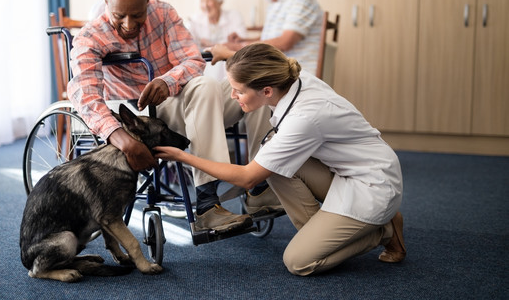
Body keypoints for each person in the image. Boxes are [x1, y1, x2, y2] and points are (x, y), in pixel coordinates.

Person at [155, 43, 406, 276]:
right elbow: (264, 65)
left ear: (266, 91)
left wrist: (183, 156)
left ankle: (382, 230)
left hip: (372, 184)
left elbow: (247, 177)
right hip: (348, 170)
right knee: (274, 164)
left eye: (238, 91)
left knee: (299, 262)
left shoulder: (304, 119)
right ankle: (330, 231)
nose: (232, 96)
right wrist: (231, 54)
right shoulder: (291, 77)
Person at [67, 0, 273, 233]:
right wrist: (124, 140)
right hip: (147, 119)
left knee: (257, 86)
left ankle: (260, 186)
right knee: (205, 87)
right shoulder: (90, 37)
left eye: (137, 15)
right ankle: (208, 206)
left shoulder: (163, 13)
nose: (129, 24)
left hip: (189, 100)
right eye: (120, 15)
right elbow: (85, 97)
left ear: (148, 0)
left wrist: (168, 81)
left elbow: (193, 59)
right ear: (105, 2)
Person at [222, 0, 323, 76]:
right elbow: (271, 40)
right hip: (281, 72)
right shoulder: (278, 2)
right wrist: (244, 40)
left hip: (298, 74)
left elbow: (284, 42)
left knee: (229, 83)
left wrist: (238, 46)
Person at [186, 0, 247, 81]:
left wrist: (210, 44)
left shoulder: (234, 16)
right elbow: (188, 46)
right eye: (202, 1)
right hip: (204, 73)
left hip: (231, 71)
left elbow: (243, 46)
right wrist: (226, 45)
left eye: (209, 1)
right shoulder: (194, 20)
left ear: (220, 1)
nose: (205, 5)